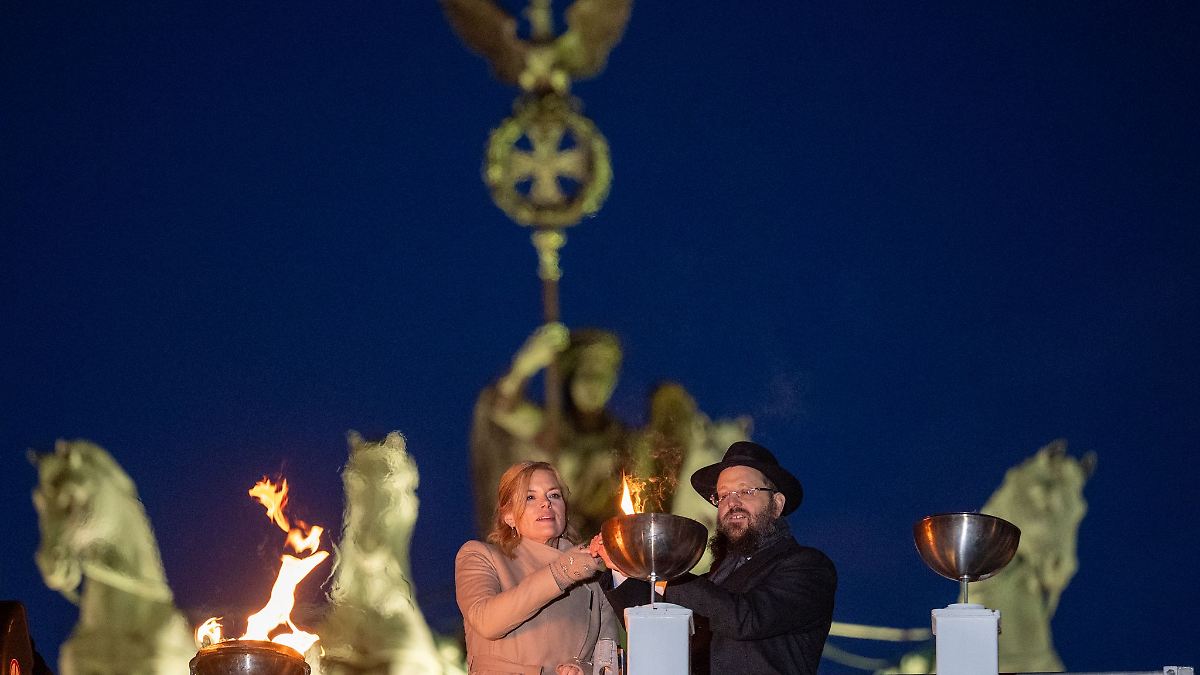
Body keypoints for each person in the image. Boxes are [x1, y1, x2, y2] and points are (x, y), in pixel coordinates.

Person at [595, 441, 836, 675]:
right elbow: (655, 619)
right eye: (723, 495)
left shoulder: (808, 567)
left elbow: (747, 618)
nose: (732, 503)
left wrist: (664, 572)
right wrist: (622, 566)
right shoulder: (715, 578)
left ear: (777, 504)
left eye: (745, 491)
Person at [456, 461, 619, 675]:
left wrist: (584, 668)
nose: (546, 504)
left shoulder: (592, 577)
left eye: (554, 495)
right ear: (509, 516)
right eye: (530, 497)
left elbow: (608, 660)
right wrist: (564, 571)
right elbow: (487, 621)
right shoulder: (480, 556)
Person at [470, 324, 627, 537]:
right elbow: (501, 409)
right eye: (587, 373)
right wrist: (524, 366)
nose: (594, 384)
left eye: (602, 375)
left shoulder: (623, 442)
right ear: (571, 377)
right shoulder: (549, 430)